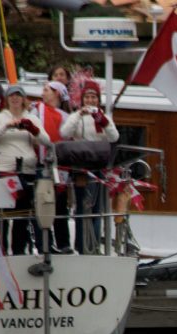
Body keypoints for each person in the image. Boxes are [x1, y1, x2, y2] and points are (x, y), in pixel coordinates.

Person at [0, 85, 51, 255]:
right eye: (12, 96)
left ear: (23, 99)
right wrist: (7, 126)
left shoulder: (32, 118)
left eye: (19, 95)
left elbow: (47, 140)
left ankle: (19, 252)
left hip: (26, 172)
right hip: (3, 172)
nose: (15, 99)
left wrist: (32, 129)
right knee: (1, 217)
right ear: (7, 99)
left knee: (23, 216)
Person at [60, 80, 119, 254]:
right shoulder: (77, 116)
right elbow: (64, 133)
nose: (91, 100)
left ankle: (93, 245)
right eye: (88, 97)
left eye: (94, 97)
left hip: (99, 166)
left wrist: (102, 121)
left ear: (98, 100)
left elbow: (114, 136)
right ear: (83, 99)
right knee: (82, 207)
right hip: (81, 167)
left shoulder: (103, 116)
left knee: (97, 208)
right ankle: (82, 244)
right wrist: (79, 115)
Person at [32, 80, 71, 252]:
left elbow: (67, 140)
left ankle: (64, 244)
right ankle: (45, 245)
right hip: (39, 166)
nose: (43, 92)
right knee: (42, 205)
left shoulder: (65, 117)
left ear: (57, 93)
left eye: (46, 89)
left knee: (61, 207)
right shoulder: (35, 110)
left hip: (60, 167)